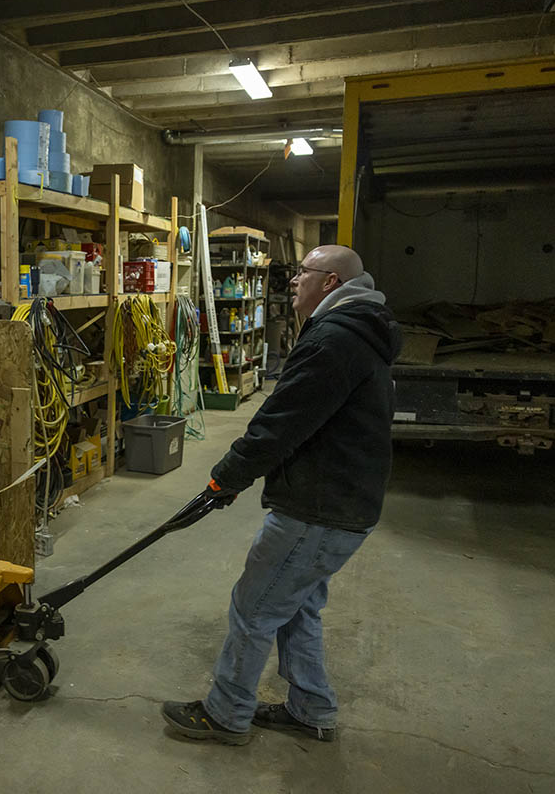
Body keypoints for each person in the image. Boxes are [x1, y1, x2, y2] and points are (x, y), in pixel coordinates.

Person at [161, 244, 402, 745]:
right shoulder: (353, 332)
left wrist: (226, 477)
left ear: (331, 283)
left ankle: (226, 715)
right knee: (295, 607)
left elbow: (278, 424)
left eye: (302, 274)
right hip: (340, 501)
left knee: (254, 608)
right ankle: (312, 709)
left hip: (319, 509)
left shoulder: (334, 340)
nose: (291, 282)